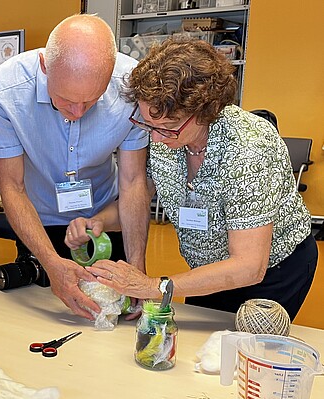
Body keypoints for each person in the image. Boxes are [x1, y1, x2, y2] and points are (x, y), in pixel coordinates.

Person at [87, 39, 317, 320]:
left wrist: (153, 287)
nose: (156, 138)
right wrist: (99, 220)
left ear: (205, 111)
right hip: (206, 269)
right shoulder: (166, 132)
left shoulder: (249, 148)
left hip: (272, 273)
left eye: (168, 129)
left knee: (245, 351)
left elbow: (248, 266)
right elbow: (138, 191)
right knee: (201, 351)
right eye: (148, 124)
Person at [0, 14, 150, 319]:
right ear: (46, 67)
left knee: (114, 319)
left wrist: (137, 267)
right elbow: (12, 188)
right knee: (43, 320)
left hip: (107, 222)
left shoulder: (131, 86)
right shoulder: (5, 91)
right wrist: (49, 261)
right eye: (65, 99)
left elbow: (134, 181)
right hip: (38, 224)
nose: (76, 112)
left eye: (91, 101)